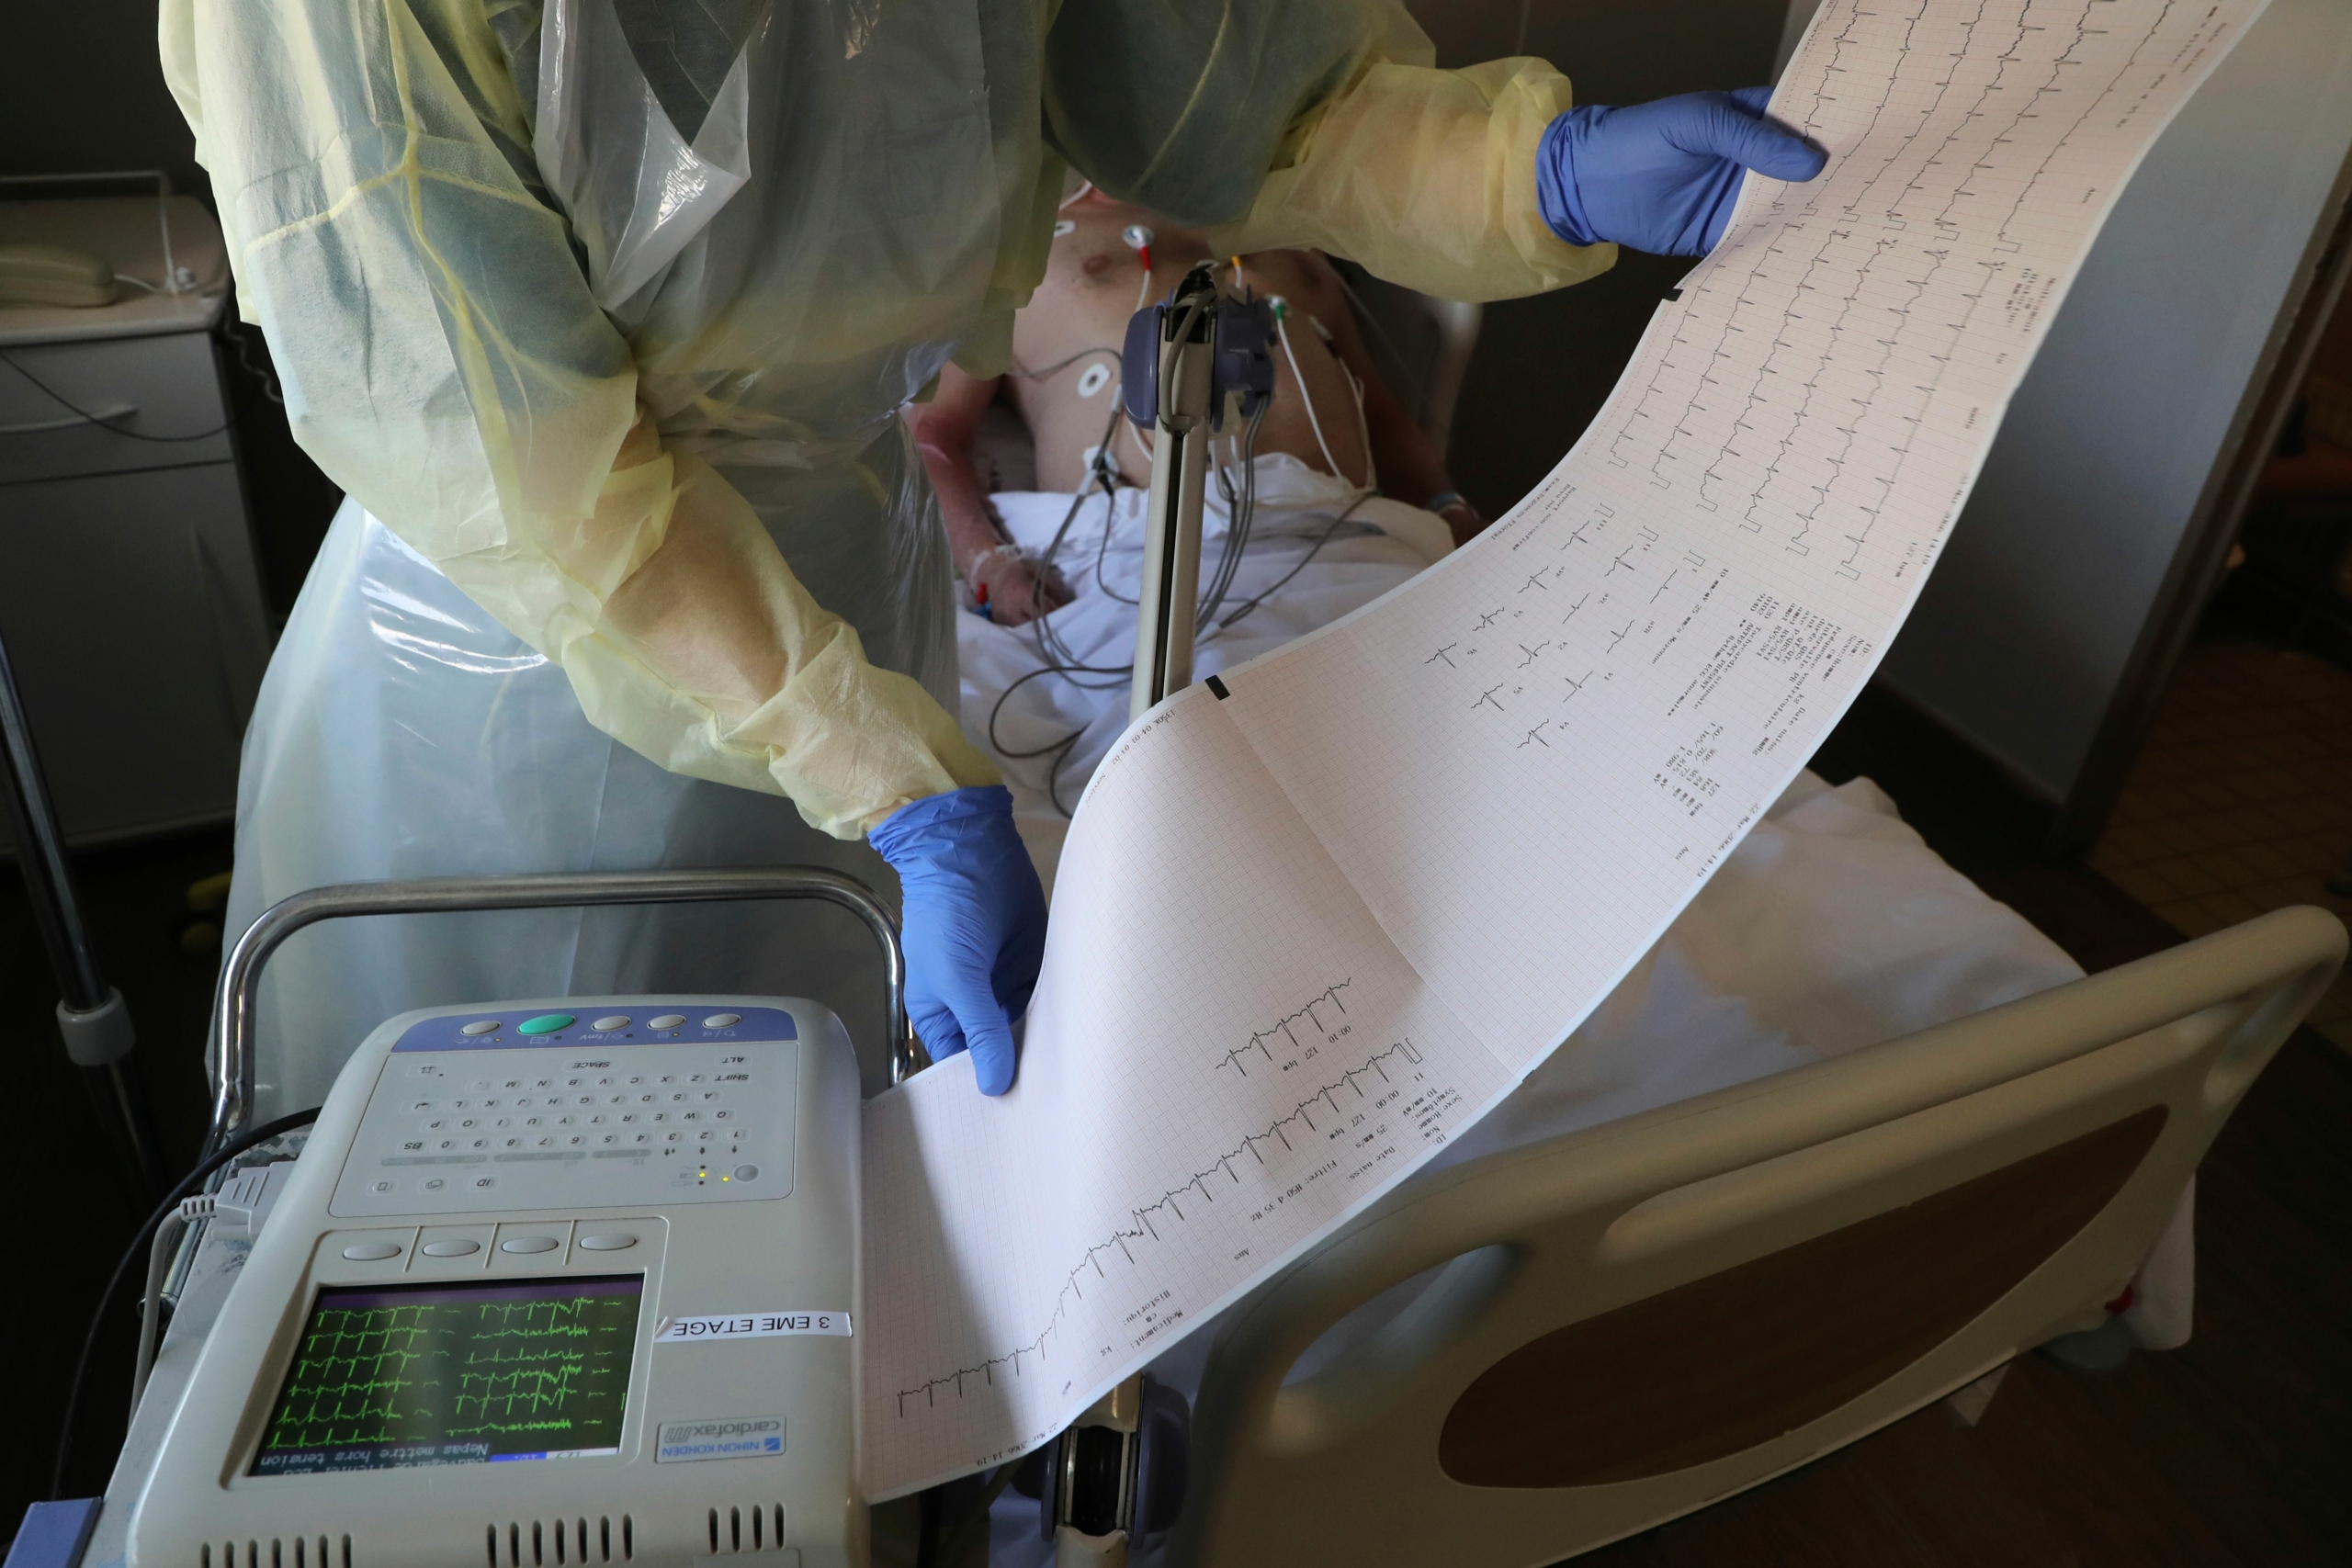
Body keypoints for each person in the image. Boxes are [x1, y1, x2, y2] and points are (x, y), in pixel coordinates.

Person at [161, 0, 1826, 1111]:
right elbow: (516, 464)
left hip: (854, 591)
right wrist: (879, 773)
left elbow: (1232, 102)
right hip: (519, 678)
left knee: (809, 1190)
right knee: (513, 1248)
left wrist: (1523, 168)